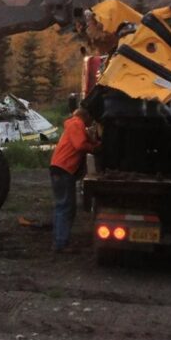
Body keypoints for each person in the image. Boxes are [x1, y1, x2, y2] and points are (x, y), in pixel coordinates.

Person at [49, 106, 100, 253]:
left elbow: (81, 141)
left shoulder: (75, 125)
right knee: (65, 206)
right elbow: (80, 145)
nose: (92, 122)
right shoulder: (77, 123)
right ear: (86, 116)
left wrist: (92, 142)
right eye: (91, 118)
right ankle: (60, 243)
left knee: (63, 206)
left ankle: (60, 241)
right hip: (63, 169)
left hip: (60, 168)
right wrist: (96, 148)